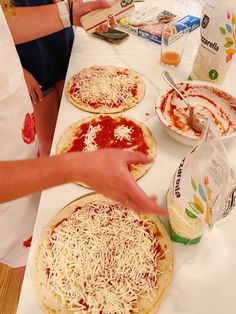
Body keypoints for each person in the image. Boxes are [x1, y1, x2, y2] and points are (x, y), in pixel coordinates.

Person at [0, 0, 166, 272]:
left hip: (23, 156)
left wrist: (68, 13)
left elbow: (6, 21)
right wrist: (73, 166)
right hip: (8, 209)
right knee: (40, 270)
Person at [14, 0, 74, 157]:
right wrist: (17, 69)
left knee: (71, 124)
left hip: (60, 41)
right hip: (28, 59)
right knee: (49, 143)